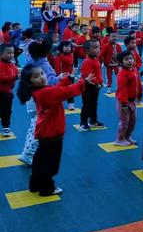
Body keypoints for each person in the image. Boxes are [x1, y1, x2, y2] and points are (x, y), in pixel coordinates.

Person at [17, 64, 94, 196]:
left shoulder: (41, 91)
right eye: (36, 76)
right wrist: (83, 82)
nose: (42, 77)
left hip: (45, 132)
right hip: (52, 133)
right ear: (29, 82)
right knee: (50, 163)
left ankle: (35, 184)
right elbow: (64, 92)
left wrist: (67, 79)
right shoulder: (45, 92)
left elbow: (56, 89)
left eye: (42, 73)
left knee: (40, 159)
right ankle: (47, 188)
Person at [19, 41, 64, 166]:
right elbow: (49, 80)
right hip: (39, 98)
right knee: (37, 125)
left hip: (32, 97)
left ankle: (29, 152)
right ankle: (27, 153)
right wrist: (59, 78)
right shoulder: (42, 63)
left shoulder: (31, 61)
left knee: (35, 123)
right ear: (45, 51)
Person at [115, 51, 142, 146]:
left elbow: (138, 82)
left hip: (132, 100)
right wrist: (124, 103)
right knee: (124, 121)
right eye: (126, 59)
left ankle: (127, 137)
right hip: (124, 102)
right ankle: (119, 139)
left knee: (132, 121)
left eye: (131, 58)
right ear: (121, 62)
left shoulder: (134, 70)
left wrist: (139, 95)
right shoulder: (122, 73)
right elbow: (121, 89)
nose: (130, 61)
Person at [79, 40, 104, 131]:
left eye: (99, 47)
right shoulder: (87, 62)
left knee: (94, 104)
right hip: (88, 87)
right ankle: (83, 122)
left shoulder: (95, 60)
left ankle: (93, 120)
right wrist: (97, 83)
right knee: (87, 105)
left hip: (95, 87)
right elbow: (88, 76)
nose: (98, 50)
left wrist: (100, 82)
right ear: (87, 51)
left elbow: (98, 73)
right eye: (95, 48)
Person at [0, 44, 18, 137]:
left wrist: (16, 75)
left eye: (12, 53)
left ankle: (6, 127)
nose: (11, 55)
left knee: (7, 110)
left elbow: (15, 72)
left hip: (8, 93)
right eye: (8, 53)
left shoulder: (12, 65)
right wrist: (14, 77)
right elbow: (2, 78)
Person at [54, 41, 75, 111]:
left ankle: (71, 104)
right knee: (59, 90)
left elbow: (69, 62)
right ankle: (59, 104)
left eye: (69, 47)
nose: (68, 48)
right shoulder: (58, 56)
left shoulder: (70, 55)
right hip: (60, 76)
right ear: (61, 47)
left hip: (69, 76)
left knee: (69, 90)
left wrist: (60, 55)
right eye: (66, 46)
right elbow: (56, 65)